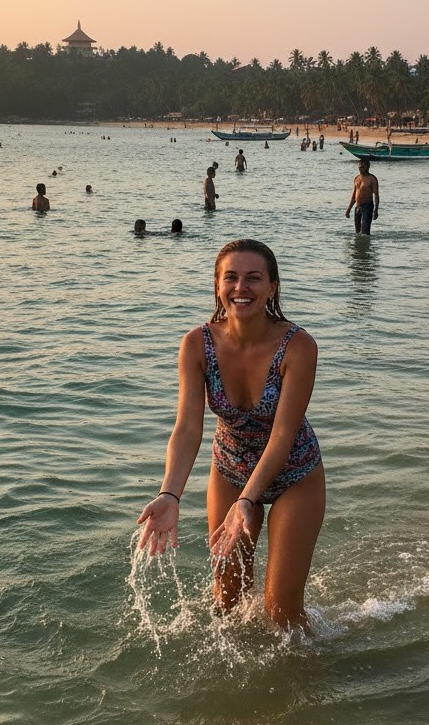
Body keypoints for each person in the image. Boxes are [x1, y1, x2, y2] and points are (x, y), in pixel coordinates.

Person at [136, 238, 324, 629]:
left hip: (294, 473)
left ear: (272, 286)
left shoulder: (299, 346)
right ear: (217, 285)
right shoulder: (196, 344)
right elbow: (187, 428)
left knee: (282, 613)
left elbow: (283, 433)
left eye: (254, 278)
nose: (242, 288)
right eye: (231, 278)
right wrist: (169, 493)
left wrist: (248, 501)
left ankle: (309, 677)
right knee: (226, 599)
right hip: (230, 468)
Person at [346, 157, 380, 234]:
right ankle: (358, 246)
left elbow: (376, 196)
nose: (361, 169)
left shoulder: (372, 179)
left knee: (365, 232)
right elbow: (354, 196)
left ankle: (366, 245)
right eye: (359, 167)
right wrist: (348, 210)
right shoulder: (357, 178)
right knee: (357, 232)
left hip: (367, 206)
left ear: (368, 167)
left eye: (363, 167)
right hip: (358, 207)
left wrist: (376, 210)